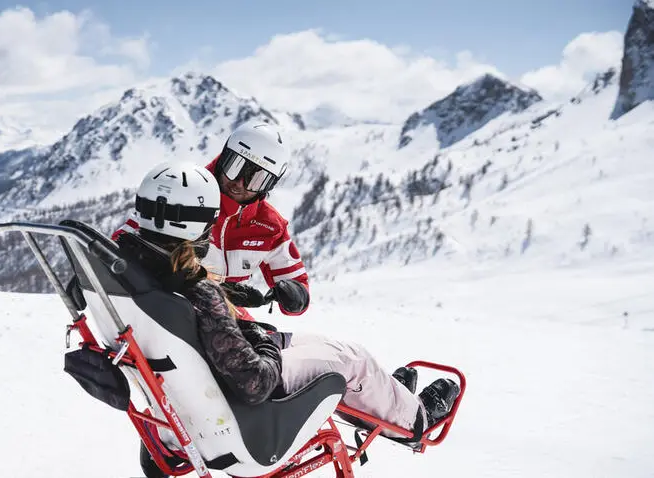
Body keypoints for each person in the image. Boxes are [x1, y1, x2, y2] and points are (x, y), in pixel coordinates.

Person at [118, 162, 461, 478]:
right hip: (239, 405)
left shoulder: (129, 269)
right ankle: (415, 420)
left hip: (193, 393)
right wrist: (262, 340)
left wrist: (239, 310)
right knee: (350, 359)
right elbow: (254, 382)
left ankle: (389, 395)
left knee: (324, 347)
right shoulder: (197, 293)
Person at [113, 121, 310, 321]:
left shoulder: (270, 227)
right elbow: (120, 245)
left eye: (256, 178)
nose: (239, 183)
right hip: (164, 307)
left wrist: (295, 296)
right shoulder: (186, 192)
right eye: (235, 166)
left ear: (270, 185)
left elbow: (297, 282)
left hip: (225, 316)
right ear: (224, 156)